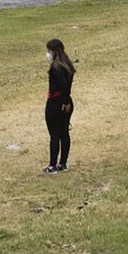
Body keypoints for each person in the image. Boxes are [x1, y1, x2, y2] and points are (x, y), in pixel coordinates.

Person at [43, 38, 76, 174]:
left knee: (55, 135)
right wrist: (67, 101)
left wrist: (64, 101)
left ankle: (52, 165)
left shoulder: (56, 68)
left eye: (49, 51)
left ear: (54, 51)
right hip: (65, 102)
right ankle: (63, 163)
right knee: (64, 133)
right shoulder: (68, 65)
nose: (48, 53)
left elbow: (63, 86)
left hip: (56, 103)